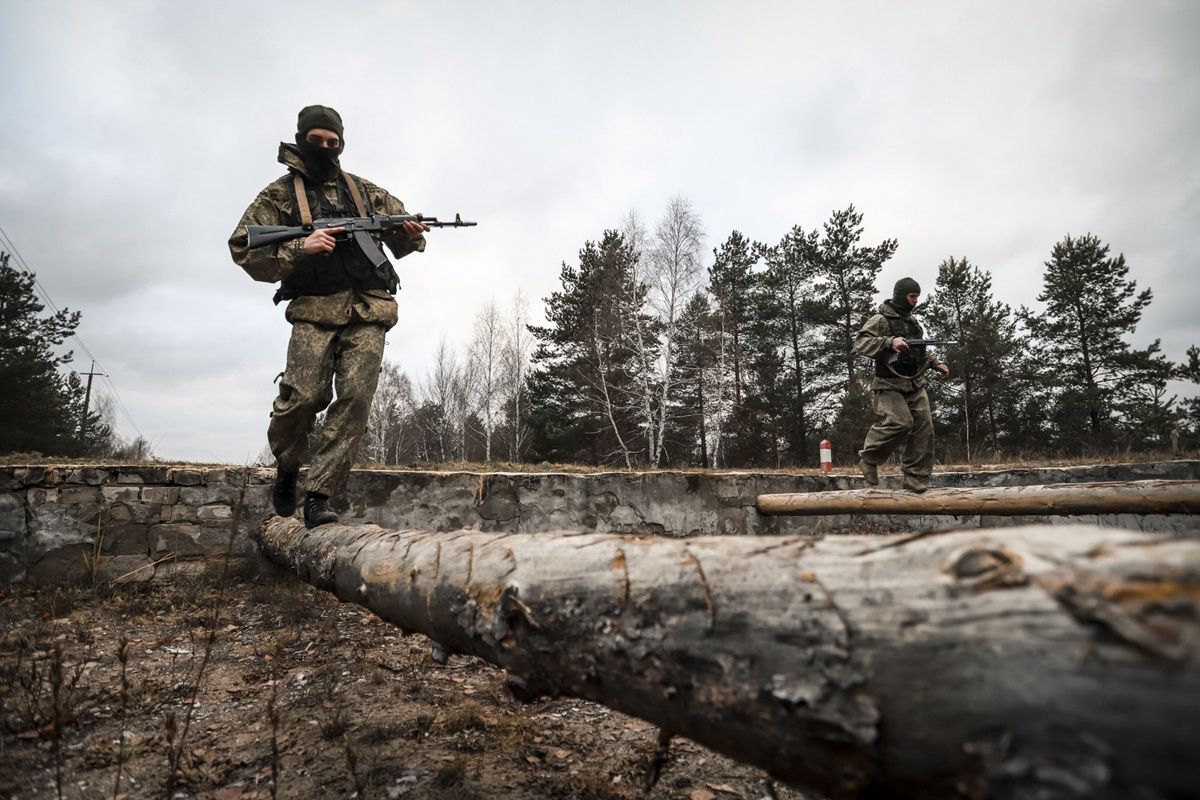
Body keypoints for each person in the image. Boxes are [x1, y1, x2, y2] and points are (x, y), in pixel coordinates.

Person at [228, 105, 428, 527]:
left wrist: (408, 233)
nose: (324, 148)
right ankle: (287, 467)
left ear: (342, 143)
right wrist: (302, 247)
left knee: (355, 401)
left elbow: (402, 230)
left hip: (368, 308)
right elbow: (243, 247)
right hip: (315, 310)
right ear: (301, 139)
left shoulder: (362, 190)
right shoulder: (280, 195)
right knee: (301, 399)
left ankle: (319, 495)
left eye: (332, 142)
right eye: (316, 140)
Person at [853, 277, 950, 493]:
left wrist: (936, 364)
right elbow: (860, 343)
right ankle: (869, 459)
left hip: (914, 383)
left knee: (925, 428)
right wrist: (889, 342)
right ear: (901, 295)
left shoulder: (914, 324)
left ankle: (914, 477)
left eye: (917, 297)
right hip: (888, 383)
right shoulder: (880, 320)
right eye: (912, 296)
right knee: (900, 422)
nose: (915, 301)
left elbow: (920, 351)